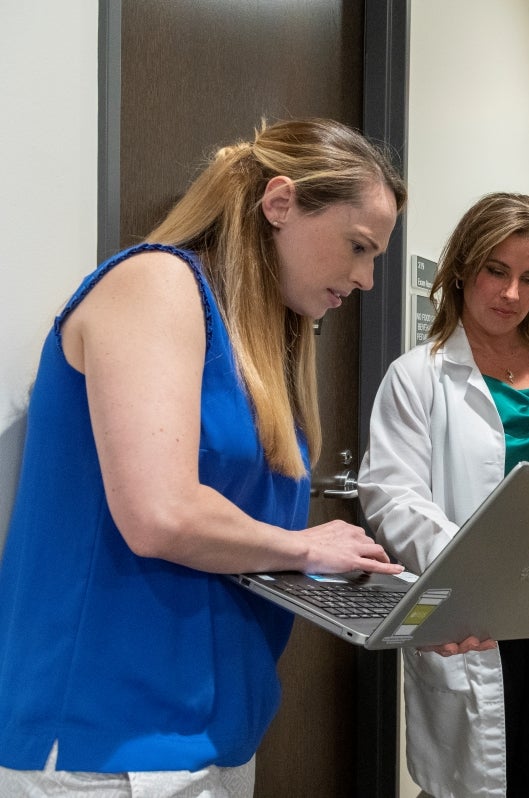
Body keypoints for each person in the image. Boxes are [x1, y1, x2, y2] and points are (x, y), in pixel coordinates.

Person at [0, 118, 407, 796]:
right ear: (280, 204)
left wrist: (411, 609)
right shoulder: (154, 284)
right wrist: (305, 547)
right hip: (105, 739)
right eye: (358, 246)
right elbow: (159, 515)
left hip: (212, 728)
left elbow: (242, 544)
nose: (365, 278)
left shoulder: (265, 343)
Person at [357, 192, 529, 798]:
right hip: (476, 609)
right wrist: (477, 557)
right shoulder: (418, 375)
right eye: (496, 271)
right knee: (471, 777)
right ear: (461, 269)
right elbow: (392, 495)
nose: (511, 295)